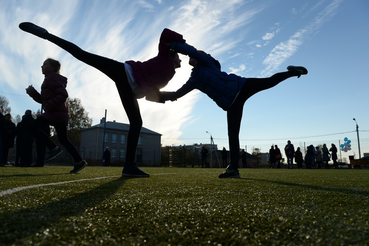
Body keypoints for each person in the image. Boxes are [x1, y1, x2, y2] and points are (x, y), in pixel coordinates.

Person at [20, 22, 185, 178]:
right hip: (123, 72)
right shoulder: (165, 58)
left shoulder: (169, 75)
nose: (181, 60)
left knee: (136, 123)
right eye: (179, 57)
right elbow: (165, 34)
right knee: (83, 55)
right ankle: (47, 35)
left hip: (129, 89)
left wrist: (173, 96)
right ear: (173, 54)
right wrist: (183, 45)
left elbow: (151, 95)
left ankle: (129, 167)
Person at [159, 42, 307, 178]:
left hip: (241, 86)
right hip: (232, 104)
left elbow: (190, 50)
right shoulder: (194, 79)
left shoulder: (206, 62)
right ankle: (233, 169)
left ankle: (293, 72)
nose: (189, 57)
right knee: (233, 135)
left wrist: (173, 45)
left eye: (192, 55)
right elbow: (177, 94)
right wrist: (157, 95)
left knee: (268, 81)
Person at [26, 58, 87, 174]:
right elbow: (44, 100)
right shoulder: (50, 79)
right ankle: (79, 161)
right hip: (59, 113)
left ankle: (53, 148)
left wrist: (49, 107)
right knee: (63, 139)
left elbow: (63, 95)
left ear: (52, 67)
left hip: (55, 113)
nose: (41, 66)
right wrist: (33, 93)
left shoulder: (52, 78)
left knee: (32, 127)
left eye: (44, 64)